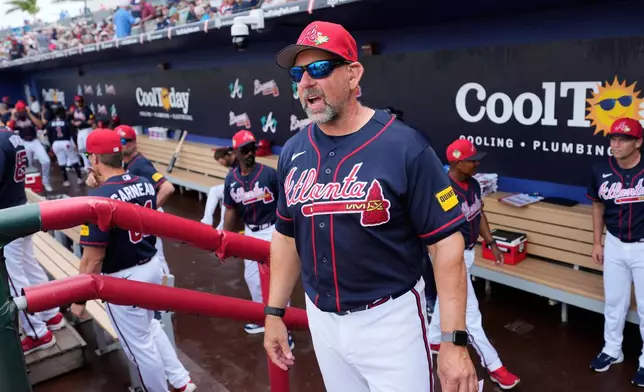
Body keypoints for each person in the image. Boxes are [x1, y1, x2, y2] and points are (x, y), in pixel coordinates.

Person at [264, 21, 477, 392]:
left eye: (319, 69)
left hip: (389, 321)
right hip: (322, 319)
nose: (305, 83)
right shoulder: (294, 151)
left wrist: (453, 339)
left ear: (353, 73)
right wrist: (274, 312)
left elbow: (446, 244)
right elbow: (285, 236)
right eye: (298, 73)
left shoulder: (404, 146)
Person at [71, 129, 196, 392]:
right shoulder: (143, 182)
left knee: (139, 347)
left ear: (95, 159)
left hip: (124, 279)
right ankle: (181, 380)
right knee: (150, 327)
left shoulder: (99, 198)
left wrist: (78, 300)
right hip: (150, 265)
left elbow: (92, 259)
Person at [428, 138, 520, 389]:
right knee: (469, 316)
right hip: (450, 258)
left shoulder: (474, 185)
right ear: (458, 163)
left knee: (444, 304)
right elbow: (443, 232)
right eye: (472, 160)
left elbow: (478, 214)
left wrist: (490, 242)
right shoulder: (445, 190)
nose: (477, 162)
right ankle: (495, 366)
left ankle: (433, 341)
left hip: (468, 252)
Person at [587, 117, 644, 387]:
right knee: (614, 302)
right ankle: (612, 350)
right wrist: (597, 242)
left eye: (623, 139)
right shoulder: (601, 169)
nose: (616, 143)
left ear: (638, 143)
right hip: (615, 243)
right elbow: (597, 206)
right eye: (613, 138)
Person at [0, 126, 66, 354]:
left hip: (6, 217)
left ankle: (39, 333)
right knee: (29, 266)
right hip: (20, 208)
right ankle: (51, 314)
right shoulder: (11, 135)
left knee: (12, 276)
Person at [222, 130, 289, 341]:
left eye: (252, 148)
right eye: (245, 150)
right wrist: (224, 238)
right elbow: (231, 210)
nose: (250, 153)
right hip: (250, 231)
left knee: (278, 280)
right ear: (236, 153)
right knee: (252, 278)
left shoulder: (269, 174)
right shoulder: (231, 180)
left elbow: (285, 203)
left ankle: (284, 326)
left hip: (272, 230)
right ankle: (262, 320)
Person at [116, 124, 175, 275]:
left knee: (157, 255)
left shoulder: (141, 164)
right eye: (118, 142)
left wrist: (148, 211)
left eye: (124, 141)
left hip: (150, 212)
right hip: (143, 214)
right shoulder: (127, 163)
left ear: (134, 143)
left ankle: (168, 291)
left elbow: (167, 188)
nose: (121, 145)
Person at [12, 100, 52, 192]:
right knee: (26, 165)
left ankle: (45, 182)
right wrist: (13, 115)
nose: (21, 112)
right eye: (20, 110)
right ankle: (29, 186)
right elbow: (9, 127)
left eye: (23, 110)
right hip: (23, 142)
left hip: (34, 141)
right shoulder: (15, 116)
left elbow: (40, 124)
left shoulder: (30, 114)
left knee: (46, 161)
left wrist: (29, 113)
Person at [45, 106, 84, 187]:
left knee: (61, 162)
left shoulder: (50, 123)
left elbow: (49, 135)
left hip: (55, 143)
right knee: (74, 160)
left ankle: (66, 181)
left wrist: (51, 145)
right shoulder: (66, 122)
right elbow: (72, 134)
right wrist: (76, 144)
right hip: (66, 142)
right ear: (61, 113)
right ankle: (79, 179)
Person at [201, 147, 237, 229]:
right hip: (233, 185)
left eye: (222, 162)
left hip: (245, 188)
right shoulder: (229, 161)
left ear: (226, 157)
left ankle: (222, 225)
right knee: (214, 190)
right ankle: (207, 221)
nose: (222, 164)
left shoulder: (239, 160)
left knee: (226, 193)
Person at [70, 95, 95, 171]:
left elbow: (92, 121)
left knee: (89, 148)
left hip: (87, 130)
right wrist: (74, 122)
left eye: (80, 101)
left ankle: (93, 164)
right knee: (82, 149)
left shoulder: (87, 110)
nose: (79, 103)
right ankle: (86, 164)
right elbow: (72, 120)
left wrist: (81, 123)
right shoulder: (75, 110)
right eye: (77, 101)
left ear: (82, 101)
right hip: (80, 131)